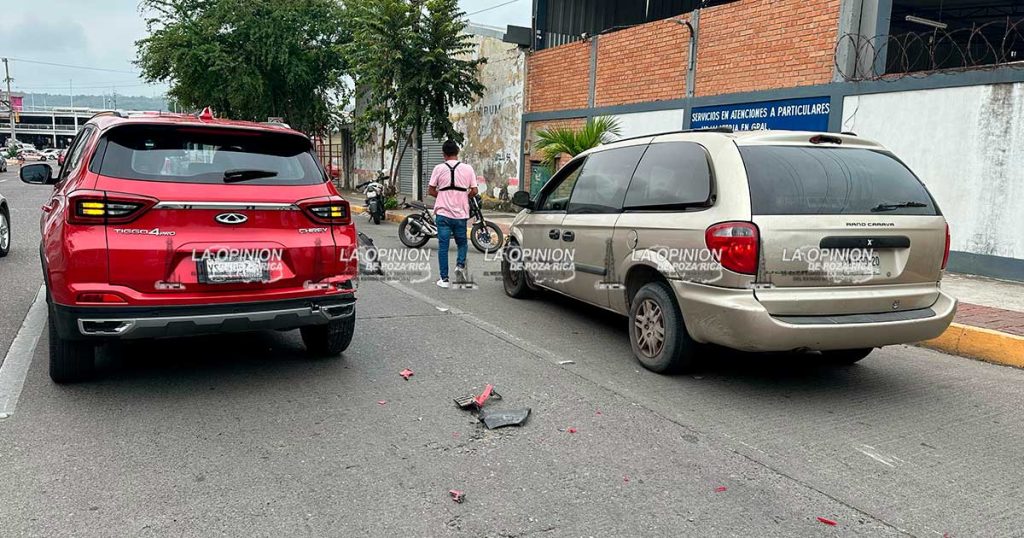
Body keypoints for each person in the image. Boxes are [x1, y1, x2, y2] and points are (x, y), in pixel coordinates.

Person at [428, 140, 478, 288]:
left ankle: (444, 280)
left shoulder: (438, 168)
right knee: (462, 243)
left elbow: (431, 190)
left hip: (443, 214)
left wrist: (443, 196)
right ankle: (460, 265)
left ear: (444, 154)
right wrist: (463, 197)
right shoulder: (468, 169)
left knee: (443, 246)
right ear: (457, 152)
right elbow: (474, 191)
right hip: (460, 214)